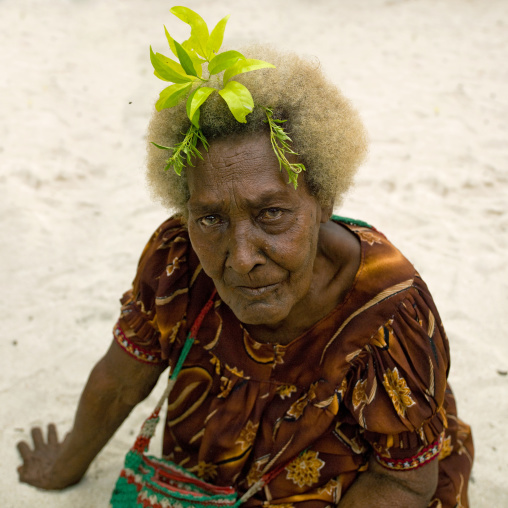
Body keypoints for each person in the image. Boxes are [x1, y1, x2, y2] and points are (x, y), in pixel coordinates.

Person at [17, 45, 473, 507]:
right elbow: (120, 379)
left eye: (271, 213)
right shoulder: (178, 257)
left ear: (323, 202)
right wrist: (63, 468)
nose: (240, 259)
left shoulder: (391, 317)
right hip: (211, 476)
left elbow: (403, 481)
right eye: (211, 219)